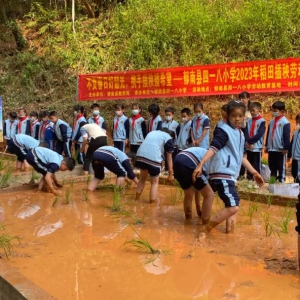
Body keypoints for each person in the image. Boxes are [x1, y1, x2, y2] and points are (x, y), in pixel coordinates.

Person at [193, 100, 264, 234]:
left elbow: (241, 157)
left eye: (240, 116)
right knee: (233, 206)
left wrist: (254, 173)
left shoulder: (240, 134)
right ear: (227, 116)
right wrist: (201, 164)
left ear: (244, 116)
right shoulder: (223, 130)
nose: (237, 119)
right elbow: (213, 148)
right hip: (222, 172)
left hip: (229, 174)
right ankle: (205, 230)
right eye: (233, 116)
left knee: (228, 203)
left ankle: (229, 233)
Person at [174, 147, 214, 222]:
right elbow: (200, 185)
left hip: (177, 160)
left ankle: (188, 222)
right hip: (190, 160)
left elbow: (197, 187)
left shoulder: (205, 151)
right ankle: (204, 228)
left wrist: (198, 208)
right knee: (210, 195)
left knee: (188, 194)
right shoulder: (214, 161)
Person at [135, 128, 174, 203]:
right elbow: (169, 158)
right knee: (154, 183)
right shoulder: (168, 138)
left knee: (142, 178)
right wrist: (170, 174)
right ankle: (152, 206)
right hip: (153, 159)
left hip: (140, 156)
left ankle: (136, 200)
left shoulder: (152, 132)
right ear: (171, 136)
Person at [265, 100, 290, 183]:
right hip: (272, 148)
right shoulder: (271, 122)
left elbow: (286, 135)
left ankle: (281, 180)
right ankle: (273, 180)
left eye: (275, 111)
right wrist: (266, 145)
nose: (273, 112)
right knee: (272, 166)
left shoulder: (285, 122)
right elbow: (269, 133)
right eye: (273, 110)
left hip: (280, 149)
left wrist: (286, 147)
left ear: (282, 111)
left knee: (281, 166)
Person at [244, 102, 266, 187]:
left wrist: (251, 142)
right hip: (249, 146)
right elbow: (246, 132)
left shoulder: (262, 121)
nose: (252, 112)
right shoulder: (249, 121)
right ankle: (250, 179)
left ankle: (257, 180)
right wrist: (248, 142)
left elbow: (260, 134)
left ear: (259, 110)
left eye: (253, 110)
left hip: (257, 146)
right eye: (250, 111)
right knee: (249, 163)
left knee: (257, 164)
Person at [238, 91, 252, 180]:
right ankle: (241, 174)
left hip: (250, 132)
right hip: (240, 131)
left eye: (244, 97)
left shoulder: (251, 108)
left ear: (248, 98)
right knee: (241, 153)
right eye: (241, 98)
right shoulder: (238, 108)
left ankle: (251, 175)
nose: (242, 100)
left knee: (250, 154)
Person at [162, 107, 180, 172]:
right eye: (166, 115)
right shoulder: (163, 124)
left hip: (173, 145)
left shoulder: (176, 124)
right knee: (165, 158)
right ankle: (165, 170)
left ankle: (172, 171)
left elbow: (178, 135)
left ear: (173, 115)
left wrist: (176, 144)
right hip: (164, 145)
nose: (168, 116)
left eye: (169, 115)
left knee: (172, 159)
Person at [288, 113, 300, 183]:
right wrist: (289, 155)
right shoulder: (295, 133)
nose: (297, 124)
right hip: (294, 157)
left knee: (298, 175)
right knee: (294, 173)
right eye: (297, 122)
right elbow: (292, 143)